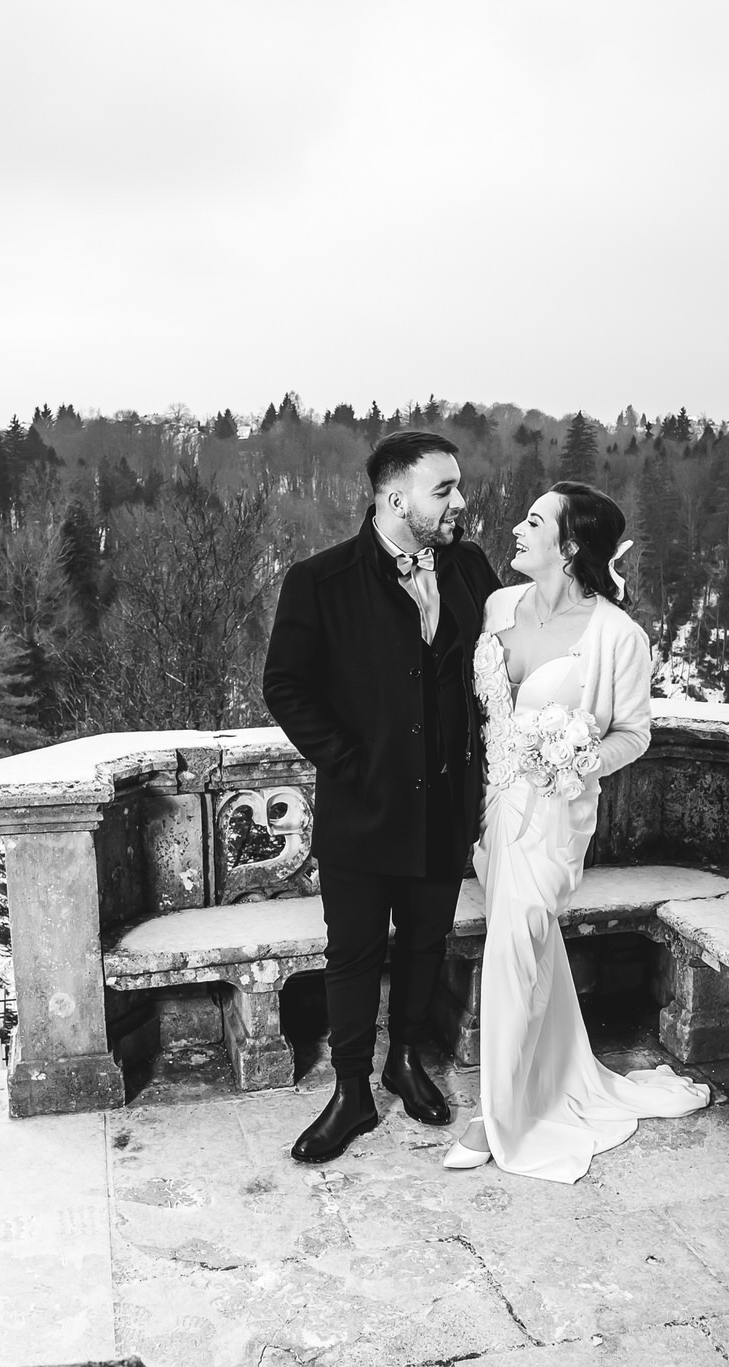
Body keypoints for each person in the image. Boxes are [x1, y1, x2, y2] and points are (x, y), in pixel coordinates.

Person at [441, 481, 710, 1179]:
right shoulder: (499, 606)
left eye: (533, 521)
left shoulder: (618, 636)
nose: (517, 529)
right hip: (490, 809)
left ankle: (496, 1114)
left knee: (513, 946)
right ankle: (557, 1072)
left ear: (568, 546)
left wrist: (576, 757)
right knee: (530, 945)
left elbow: (635, 734)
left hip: (554, 815)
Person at [262, 430, 502, 1163]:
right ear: (396, 499)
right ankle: (351, 1092)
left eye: (457, 487)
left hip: (445, 806)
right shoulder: (319, 580)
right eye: (444, 489)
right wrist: (352, 763)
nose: (460, 501)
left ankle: (405, 1061)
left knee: (427, 943)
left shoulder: (470, 567)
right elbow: (286, 687)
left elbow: (509, 655)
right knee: (354, 953)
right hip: (362, 811)